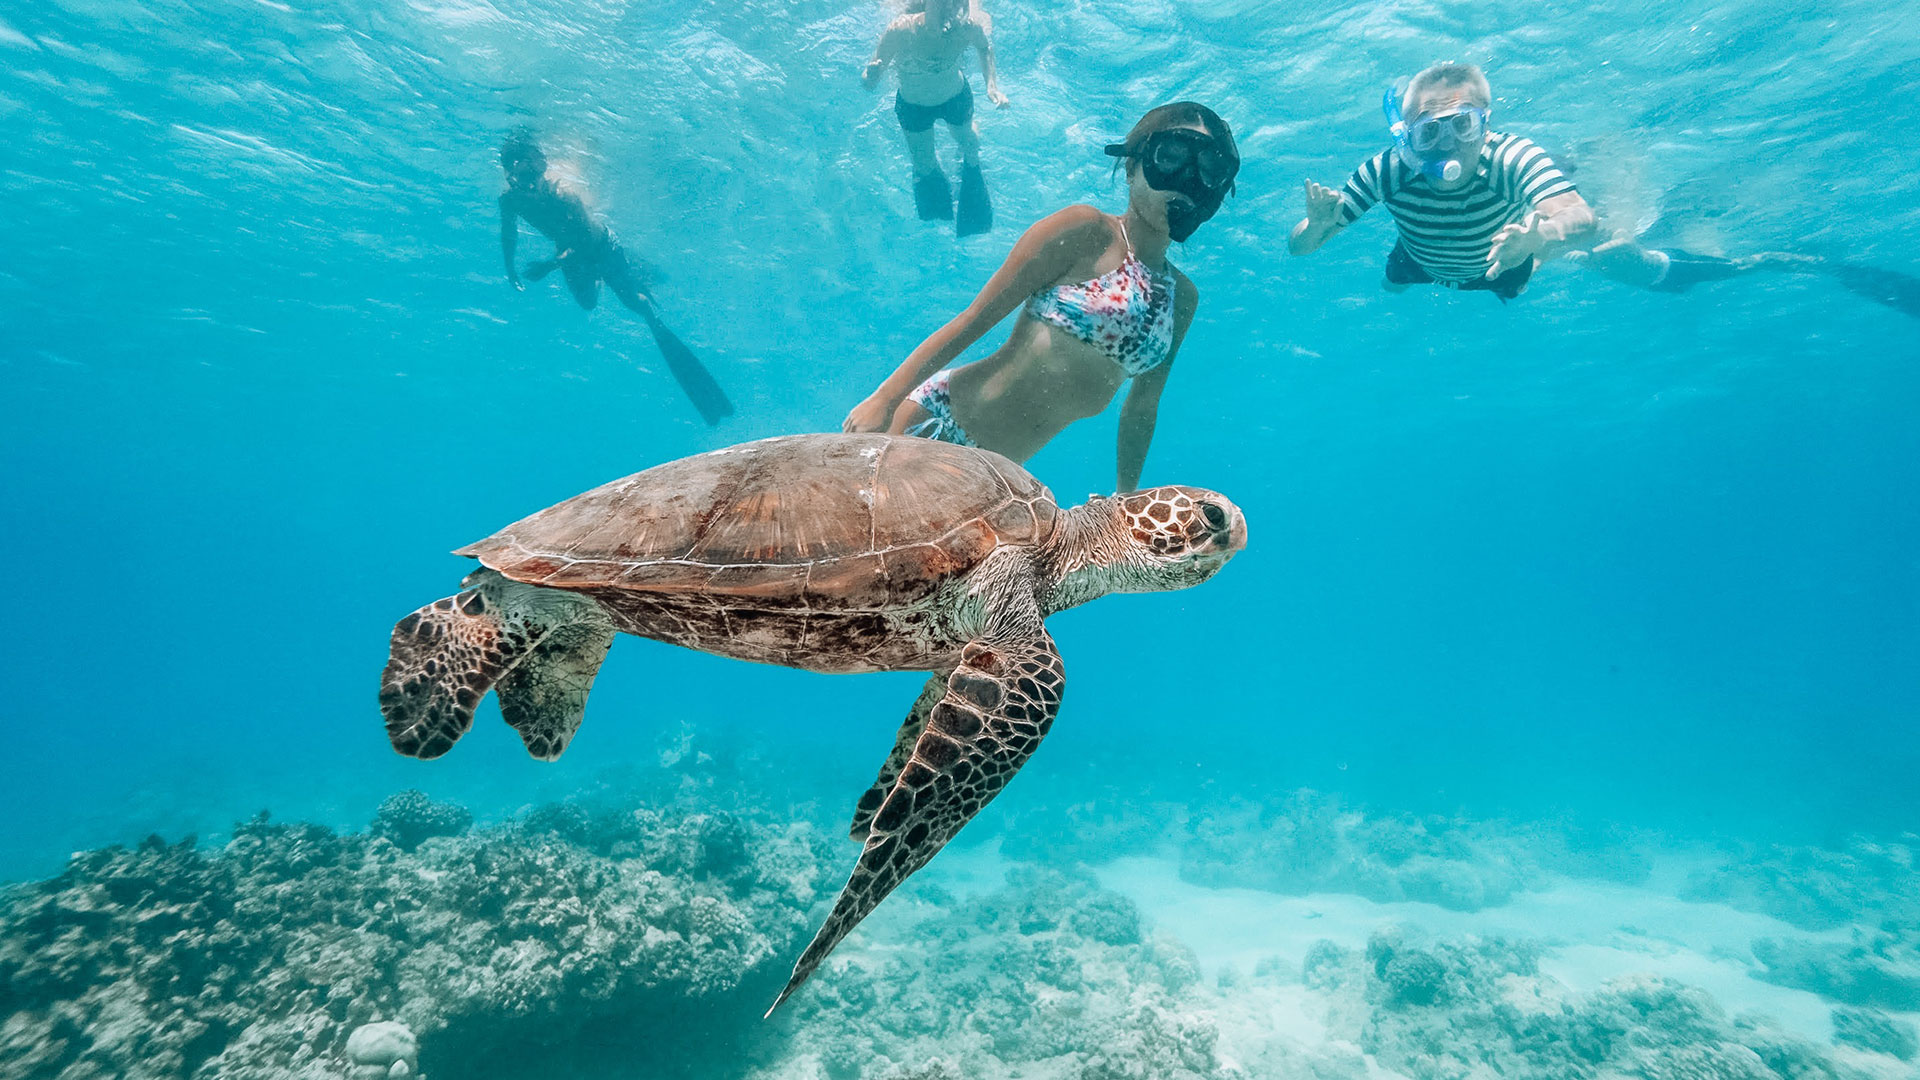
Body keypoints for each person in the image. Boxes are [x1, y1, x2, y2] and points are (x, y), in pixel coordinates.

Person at [843, 102, 1239, 494]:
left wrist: (1126, 495)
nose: (1186, 181)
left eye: (1209, 171)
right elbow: (973, 321)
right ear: (1132, 165)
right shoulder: (1085, 230)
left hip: (996, 476)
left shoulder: (1182, 298)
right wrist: (885, 397)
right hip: (937, 425)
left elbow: (1142, 406)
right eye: (1171, 158)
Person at [1289, 62, 1596, 301]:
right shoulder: (1387, 171)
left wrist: (1540, 237)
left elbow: (1582, 216)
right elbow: (1299, 249)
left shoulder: (1511, 157)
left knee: (1520, 281)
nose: (1449, 144)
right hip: (1418, 262)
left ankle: (1543, 252)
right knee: (1391, 286)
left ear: (1485, 126)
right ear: (1406, 138)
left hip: (1500, 264)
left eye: (1464, 125)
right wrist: (1315, 228)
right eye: (1430, 131)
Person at [497, 129, 733, 424]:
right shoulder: (509, 201)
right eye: (518, 175)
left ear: (541, 167)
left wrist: (549, 265)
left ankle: (639, 296)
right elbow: (509, 236)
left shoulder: (566, 196)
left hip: (601, 247)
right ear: (510, 175)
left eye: (530, 174)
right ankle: (608, 278)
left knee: (637, 304)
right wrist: (510, 269)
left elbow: (583, 241)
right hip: (569, 254)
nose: (527, 184)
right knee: (587, 303)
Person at [863, 0, 1008, 236]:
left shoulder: (966, 27)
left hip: (955, 98)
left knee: (969, 143)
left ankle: (971, 164)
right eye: (943, 4)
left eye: (956, 3)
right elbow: (868, 84)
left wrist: (991, 87)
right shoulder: (901, 30)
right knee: (924, 164)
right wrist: (872, 75)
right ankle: (939, 191)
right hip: (914, 107)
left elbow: (984, 48)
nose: (950, 10)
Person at [1569, 230, 1920, 319]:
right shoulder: (1605, 250)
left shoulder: (1595, 255)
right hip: (1673, 270)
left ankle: (1817, 262)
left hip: (1667, 276)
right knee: (1749, 263)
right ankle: (1819, 263)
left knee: (1749, 263)